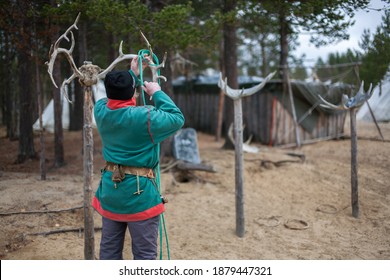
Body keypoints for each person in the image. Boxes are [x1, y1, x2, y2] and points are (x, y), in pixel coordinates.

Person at [92, 55, 185, 260]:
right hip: (139, 195)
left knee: (109, 253)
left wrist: (131, 74)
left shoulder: (100, 111)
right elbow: (177, 118)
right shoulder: (145, 118)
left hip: (111, 193)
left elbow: (110, 99)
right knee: (144, 256)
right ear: (132, 92)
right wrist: (157, 93)